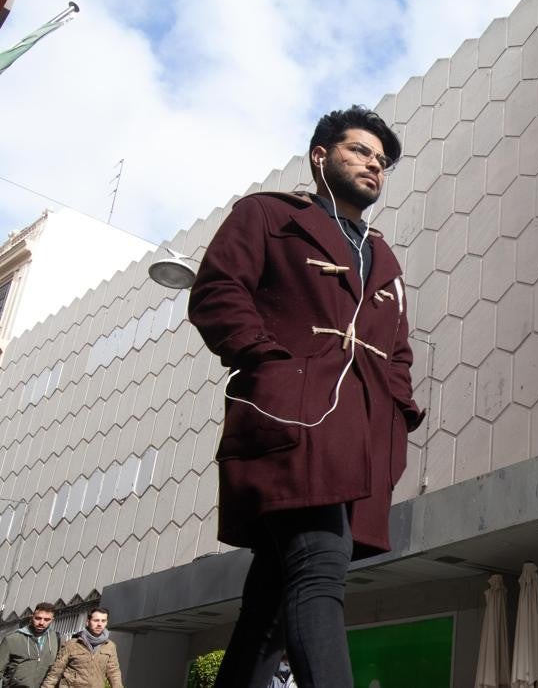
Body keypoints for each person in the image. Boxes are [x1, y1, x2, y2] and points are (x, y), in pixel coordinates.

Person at [188, 105, 425, 688]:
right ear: (321, 157)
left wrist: (399, 407)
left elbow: (398, 348)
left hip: (361, 439)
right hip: (291, 420)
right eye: (360, 151)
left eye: (382, 160)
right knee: (320, 568)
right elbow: (217, 290)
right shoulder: (268, 215)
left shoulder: (384, 257)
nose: (375, 165)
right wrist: (267, 360)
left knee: (269, 604)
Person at [38, 607, 122, 688]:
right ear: (88, 622)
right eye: (96, 620)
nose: (100, 624)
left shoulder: (110, 646)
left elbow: (113, 672)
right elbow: (56, 671)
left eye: (103, 621)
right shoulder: (72, 644)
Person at [1, 602, 59, 688]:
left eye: (47, 620)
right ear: (32, 617)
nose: (41, 623)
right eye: (38, 618)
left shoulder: (56, 639)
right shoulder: (12, 639)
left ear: (52, 620)